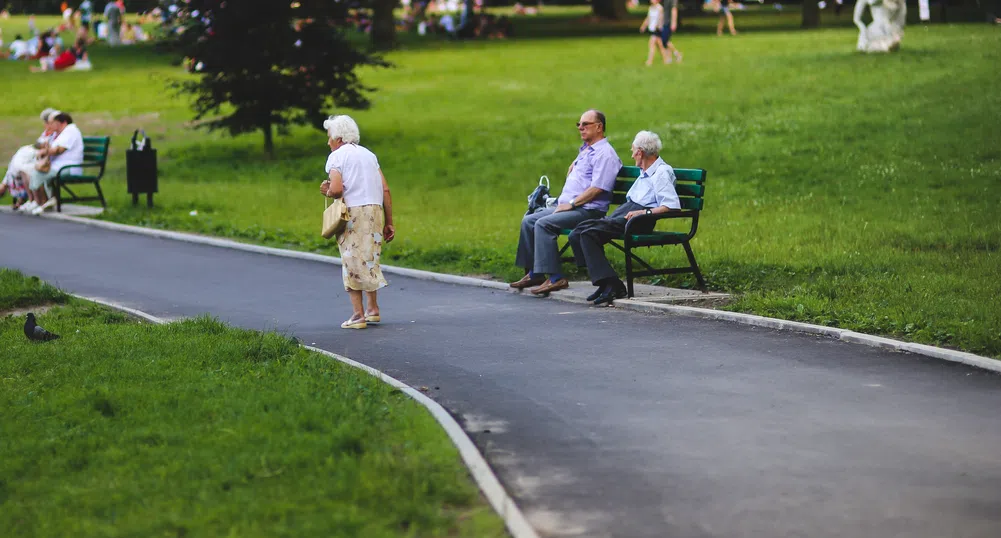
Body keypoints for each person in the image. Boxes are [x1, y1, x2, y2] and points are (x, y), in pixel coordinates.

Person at [510, 109, 621, 295]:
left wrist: (572, 203)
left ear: (599, 127)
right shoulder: (587, 151)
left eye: (585, 124)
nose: (580, 128)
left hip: (588, 210)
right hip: (571, 207)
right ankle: (535, 273)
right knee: (529, 220)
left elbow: (598, 188)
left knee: (544, 224)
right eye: (579, 124)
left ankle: (556, 278)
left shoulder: (605, 154)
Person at [568, 130, 681, 305]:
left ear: (640, 152)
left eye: (633, 150)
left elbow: (671, 205)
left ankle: (612, 285)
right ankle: (605, 283)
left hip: (640, 219)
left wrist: (643, 212)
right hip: (628, 212)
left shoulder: (661, 172)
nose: (632, 154)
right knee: (577, 232)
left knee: (589, 233)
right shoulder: (646, 171)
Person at [318, 115, 396, 330]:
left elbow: (336, 189)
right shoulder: (369, 155)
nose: (328, 142)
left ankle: (357, 315)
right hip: (375, 211)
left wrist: (327, 190)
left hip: (353, 213)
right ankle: (373, 309)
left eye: (329, 137)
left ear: (338, 138)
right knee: (369, 258)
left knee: (351, 260)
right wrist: (389, 221)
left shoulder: (336, 157)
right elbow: (385, 189)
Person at [25, 112, 84, 215]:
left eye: (53, 123)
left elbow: (59, 150)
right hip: (59, 166)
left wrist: (45, 151)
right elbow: (44, 145)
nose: (51, 125)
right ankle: (46, 201)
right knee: (32, 170)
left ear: (63, 122)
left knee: (37, 173)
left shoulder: (70, 131)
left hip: (68, 167)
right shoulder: (61, 133)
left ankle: (43, 202)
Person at [639, 0, 667, 66]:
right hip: (652, 28)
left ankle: (649, 61)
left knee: (651, 44)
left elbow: (661, 18)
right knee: (660, 45)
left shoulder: (660, 8)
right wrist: (643, 26)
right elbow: (648, 18)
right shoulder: (651, 7)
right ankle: (666, 60)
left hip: (657, 29)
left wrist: (658, 25)